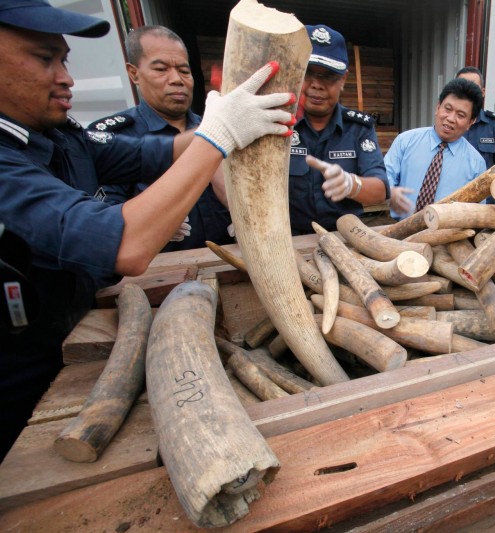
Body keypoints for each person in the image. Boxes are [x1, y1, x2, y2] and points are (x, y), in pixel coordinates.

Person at [0, 0, 294, 458]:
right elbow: (128, 246)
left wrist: (226, 122)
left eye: (65, 59)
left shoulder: (57, 135)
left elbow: (148, 154)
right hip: (17, 371)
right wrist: (218, 136)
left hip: (77, 337)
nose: (67, 77)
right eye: (44, 59)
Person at [87, 25, 234, 252]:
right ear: (134, 73)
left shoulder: (218, 132)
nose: (177, 79)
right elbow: (105, 219)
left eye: (184, 71)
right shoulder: (115, 137)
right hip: (158, 274)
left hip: (228, 264)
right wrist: (149, 221)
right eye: (161, 69)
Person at [289, 24, 389, 235]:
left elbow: (380, 190)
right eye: (309, 73)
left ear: (343, 79)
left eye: (328, 76)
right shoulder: (279, 125)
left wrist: (352, 184)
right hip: (289, 243)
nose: (317, 85)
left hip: (346, 240)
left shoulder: (358, 128)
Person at [386, 77, 487, 219]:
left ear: (471, 122)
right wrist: (390, 192)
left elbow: (478, 212)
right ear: (438, 107)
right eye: (448, 109)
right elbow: (385, 176)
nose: (451, 118)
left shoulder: (476, 164)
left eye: (461, 115)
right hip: (400, 233)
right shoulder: (405, 141)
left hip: (446, 237)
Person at [456, 66, 495, 170]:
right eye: (462, 87)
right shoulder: (449, 122)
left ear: (483, 92)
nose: (468, 92)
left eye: (473, 87)